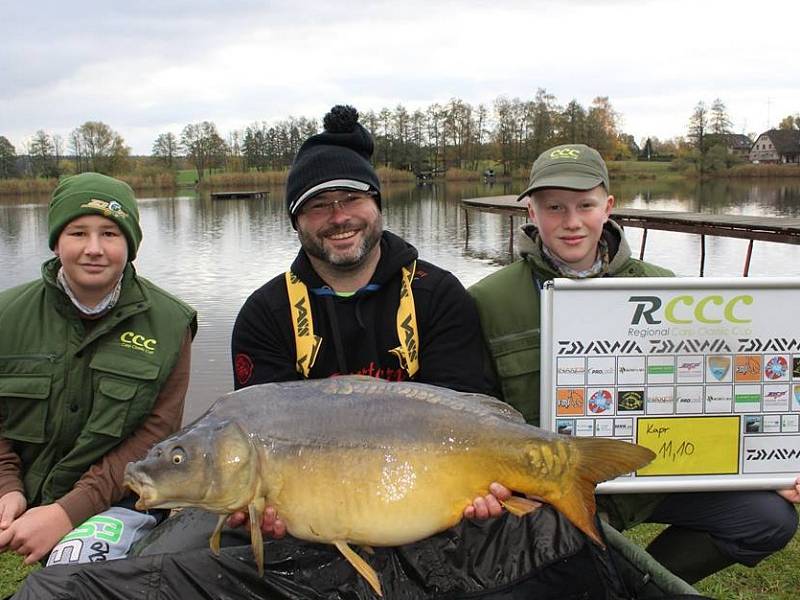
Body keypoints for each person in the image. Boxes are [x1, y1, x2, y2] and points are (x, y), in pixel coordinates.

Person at [469, 143, 800, 584]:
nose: (571, 222)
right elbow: (478, 411)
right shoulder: (488, 300)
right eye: (554, 207)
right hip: (553, 485)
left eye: (585, 205)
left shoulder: (665, 288)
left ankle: (635, 587)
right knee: (532, 570)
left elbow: (712, 391)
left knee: (768, 516)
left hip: (651, 476)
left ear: (607, 207)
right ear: (531, 212)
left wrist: (761, 467)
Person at [0, 172, 197, 566]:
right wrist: (7, 487)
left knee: (71, 572)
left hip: (121, 499)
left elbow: (153, 439)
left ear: (130, 243)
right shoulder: (6, 315)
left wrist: (65, 514)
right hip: (17, 493)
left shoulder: (171, 324)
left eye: (110, 233)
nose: (94, 248)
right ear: (57, 241)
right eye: (78, 233)